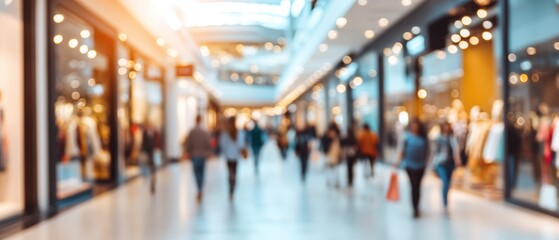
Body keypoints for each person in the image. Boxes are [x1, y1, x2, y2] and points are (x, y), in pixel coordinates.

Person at [394, 118, 429, 218]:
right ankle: (415, 208)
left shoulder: (423, 138)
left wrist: (428, 164)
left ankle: (417, 205)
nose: (415, 127)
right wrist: (397, 162)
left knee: (417, 186)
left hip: (421, 165)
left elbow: (427, 152)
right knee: (413, 186)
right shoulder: (406, 137)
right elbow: (402, 150)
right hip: (409, 165)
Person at [432, 122, 461, 214]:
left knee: (448, 184)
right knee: (445, 182)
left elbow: (455, 150)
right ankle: (445, 203)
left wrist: (457, 160)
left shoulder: (452, 138)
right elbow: (434, 152)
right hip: (441, 163)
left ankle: (445, 200)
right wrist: (433, 165)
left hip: (450, 164)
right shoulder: (438, 138)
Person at [183, 115, 213, 202]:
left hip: (195, 155)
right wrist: (209, 152)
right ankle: (200, 189)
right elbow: (208, 143)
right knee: (202, 172)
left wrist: (187, 152)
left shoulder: (192, 131)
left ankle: (199, 189)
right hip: (203, 155)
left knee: (196, 172)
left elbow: (189, 143)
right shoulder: (204, 131)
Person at [219, 116, 246, 201]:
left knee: (230, 173)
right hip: (235, 157)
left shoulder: (225, 133)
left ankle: (230, 189)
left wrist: (226, 152)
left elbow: (222, 145)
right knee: (234, 173)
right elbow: (240, 145)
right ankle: (232, 190)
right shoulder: (238, 132)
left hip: (228, 157)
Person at [142, 121, 159, 194]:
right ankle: (151, 180)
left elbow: (158, 143)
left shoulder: (155, 134)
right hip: (148, 154)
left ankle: (153, 181)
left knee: (153, 168)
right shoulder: (145, 134)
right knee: (149, 168)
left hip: (154, 154)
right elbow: (143, 144)